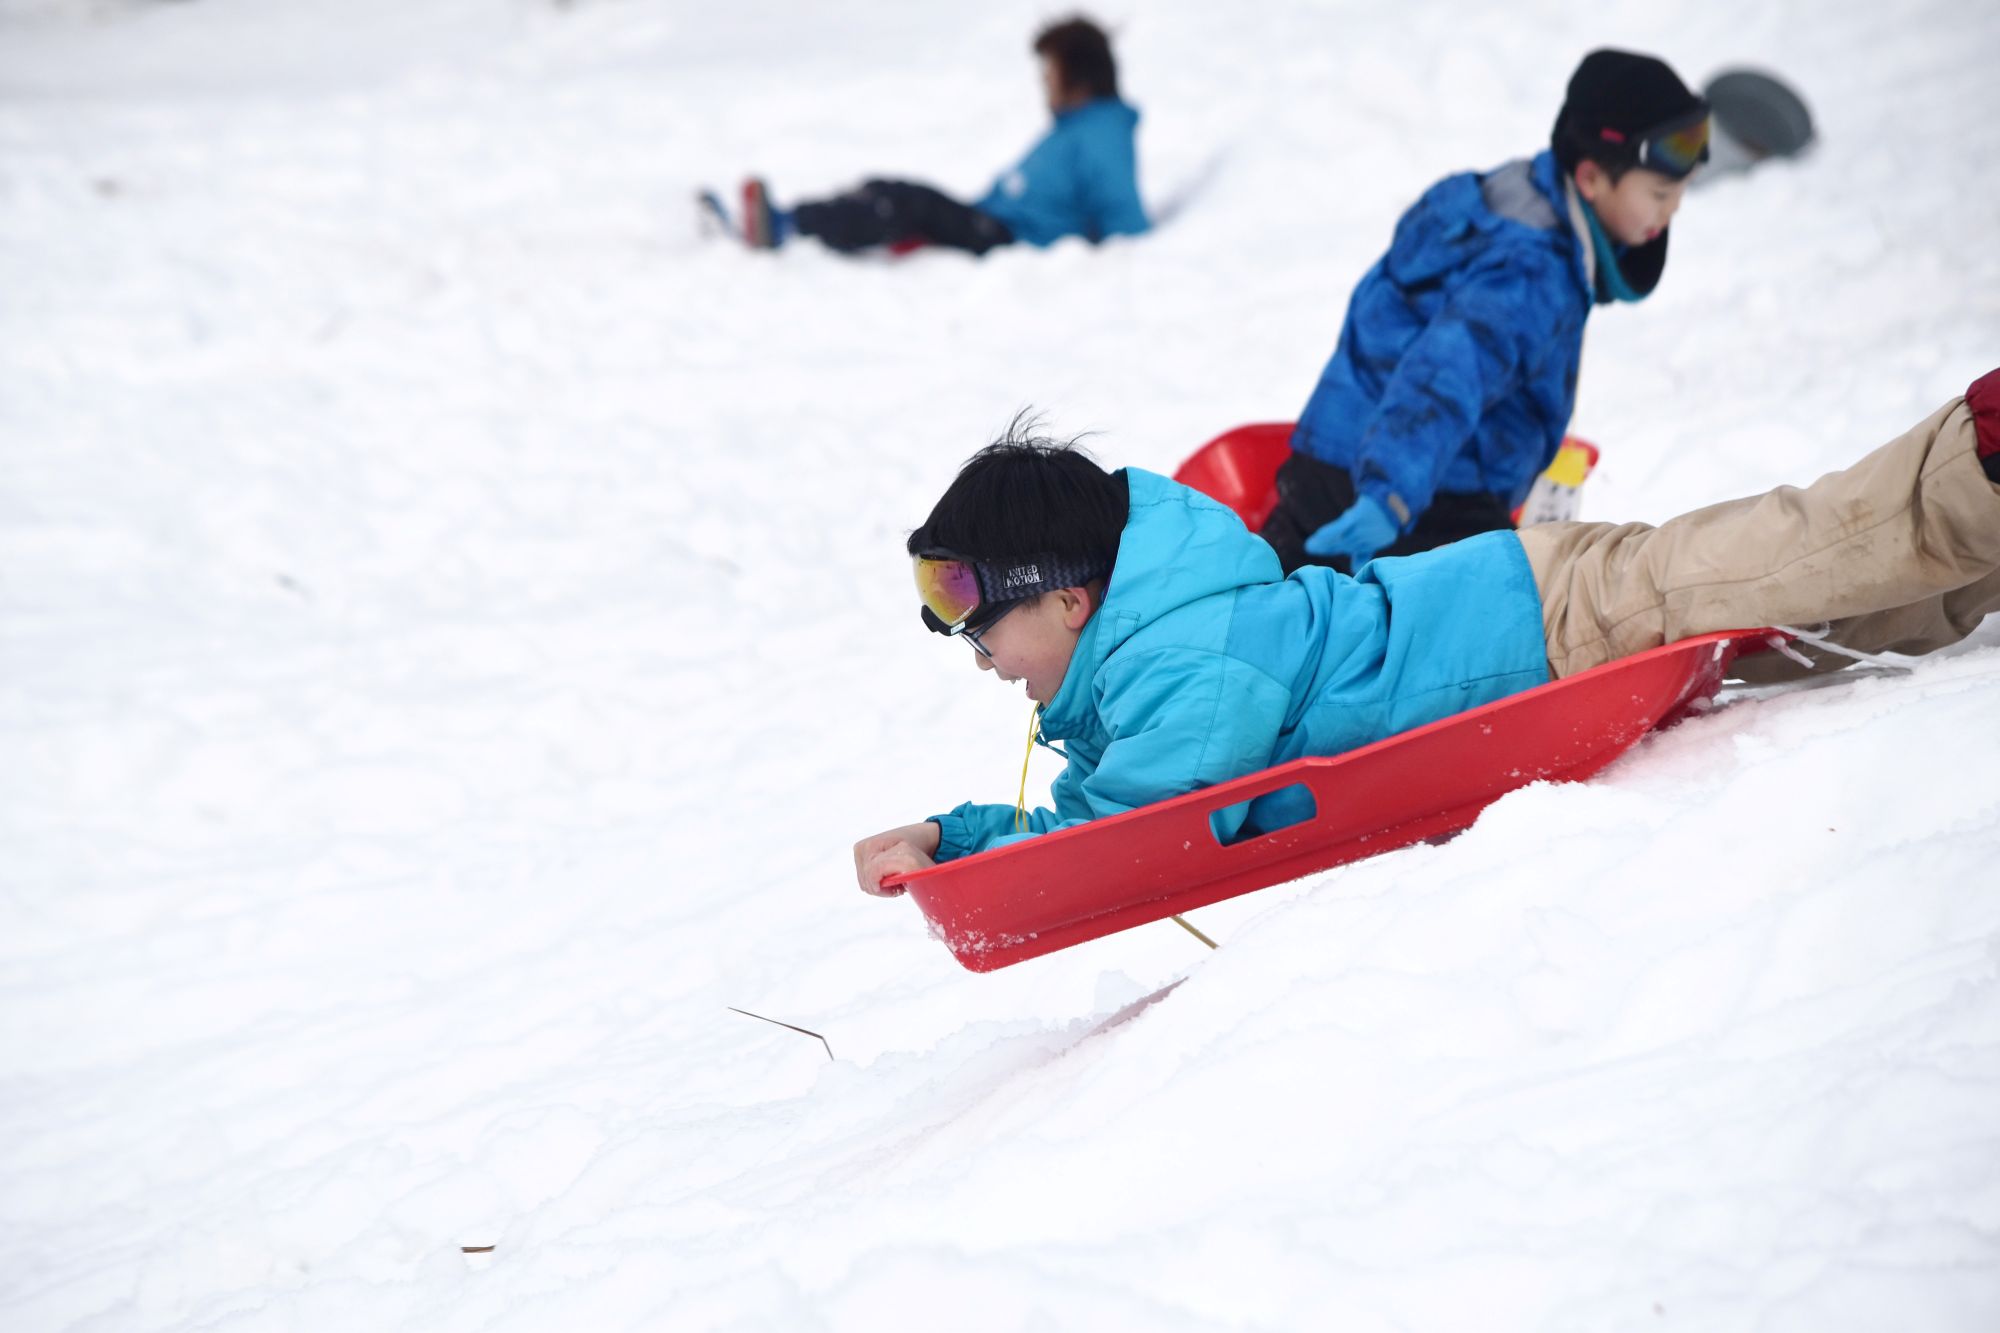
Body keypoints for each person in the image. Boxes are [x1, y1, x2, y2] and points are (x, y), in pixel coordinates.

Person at [853, 371, 2000, 894]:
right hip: (1521, 611)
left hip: (1543, 617)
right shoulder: (1148, 654)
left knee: (1794, 556)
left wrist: (959, 864)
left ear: (1069, 599)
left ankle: (1976, 455)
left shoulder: (1186, 664)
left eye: (980, 626)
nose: (979, 657)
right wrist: (946, 834)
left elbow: (1109, 844)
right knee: (1820, 618)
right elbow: (1097, 807)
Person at [1259, 48, 1713, 575]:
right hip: (1419, 493)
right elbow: (1446, 371)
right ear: (1591, 179)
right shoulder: (1534, 270)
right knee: (1509, 600)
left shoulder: (1505, 200)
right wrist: (1390, 494)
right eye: (1660, 193)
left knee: (1280, 585)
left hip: (1333, 457)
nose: (1672, 209)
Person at [709, 17, 1148, 256]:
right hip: (993, 224)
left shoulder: (1103, 136)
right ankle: (791, 221)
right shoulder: (1079, 129)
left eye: (1050, 74)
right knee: (891, 191)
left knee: (908, 203)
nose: (1044, 85)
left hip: (1008, 240)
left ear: (1079, 78)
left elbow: (1125, 223)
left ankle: (787, 227)